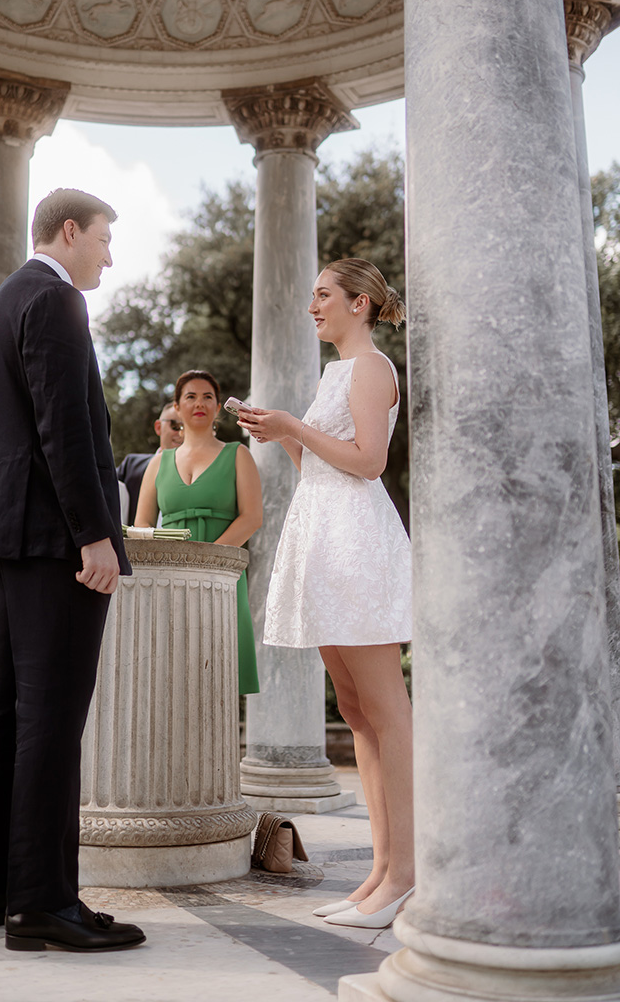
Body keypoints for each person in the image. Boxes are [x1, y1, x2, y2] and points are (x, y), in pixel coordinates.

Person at [0, 188, 145, 954]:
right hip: (57, 546)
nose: (109, 254)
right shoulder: (58, 300)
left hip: (12, 536)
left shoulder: (3, 303)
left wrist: (20, 500)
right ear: (69, 232)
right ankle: (45, 904)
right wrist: (92, 534)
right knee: (50, 720)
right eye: (105, 239)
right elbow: (66, 432)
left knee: (1, 710)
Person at [237, 259, 413, 929]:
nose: (312, 305)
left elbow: (369, 462)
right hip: (325, 532)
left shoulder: (371, 369)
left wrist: (294, 425)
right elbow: (321, 466)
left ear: (360, 304)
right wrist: (282, 436)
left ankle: (407, 874)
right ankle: (381, 871)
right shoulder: (336, 372)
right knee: (355, 707)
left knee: (385, 707)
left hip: (356, 542)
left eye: (323, 295)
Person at [135, 369, 262, 695]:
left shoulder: (238, 454)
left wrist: (208, 562)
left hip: (222, 578)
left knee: (219, 679)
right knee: (170, 679)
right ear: (176, 408)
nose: (199, 403)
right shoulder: (158, 463)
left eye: (207, 396)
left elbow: (251, 518)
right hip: (169, 580)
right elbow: (142, 526)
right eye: (190, 396)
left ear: (218, 407)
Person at [116, 400, 183, 523]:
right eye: (175, 425)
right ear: (158, 427)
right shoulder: (131, 466)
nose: (181, 433)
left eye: (187, 427)